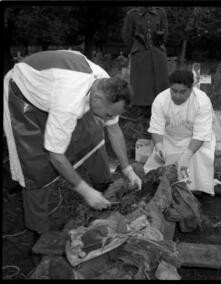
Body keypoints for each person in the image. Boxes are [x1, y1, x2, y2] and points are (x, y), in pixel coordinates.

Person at [3, 49, 142, 234]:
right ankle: (39, 232)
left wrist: (128, 170)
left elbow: (114, 130)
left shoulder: (106, 84)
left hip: (55, 85)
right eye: (108, 114)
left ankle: (104, 186)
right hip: (24, 94)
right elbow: (55, 154)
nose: (109, 118)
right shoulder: (68, 102)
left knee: (92, 134)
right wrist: (85, 191)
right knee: (36, 167)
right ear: (97, 99)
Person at [144, 69, 216, 195]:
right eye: (174, 91)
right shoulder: (160, 100)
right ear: (170, 87)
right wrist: (159, 146)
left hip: (194, 140)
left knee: (197, 162)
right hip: (169, 138)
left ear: (191, 88)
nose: (177, 96)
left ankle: (195, 191)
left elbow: (201, 134)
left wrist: (187, 155)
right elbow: (156, 128)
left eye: (183, 92)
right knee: (159, 172)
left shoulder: (202, 101)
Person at [122, 6, 169, 108]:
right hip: (140, 54)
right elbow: (126, 36)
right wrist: (137, 48)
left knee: (161, 82)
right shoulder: (132, 15)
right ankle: (141, 110)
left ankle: (160, 107)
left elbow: (165, 34)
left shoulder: (160, 13)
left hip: (158, 52)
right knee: (141, 84)